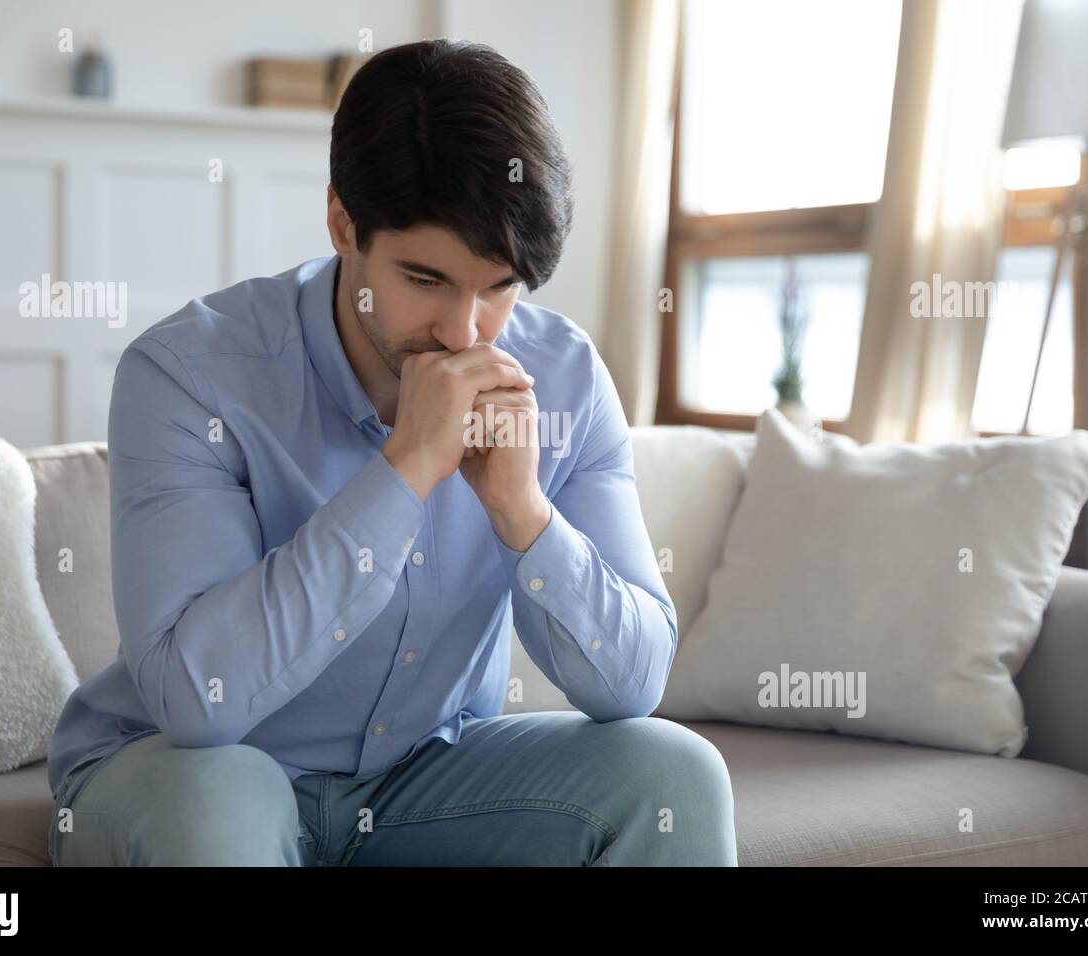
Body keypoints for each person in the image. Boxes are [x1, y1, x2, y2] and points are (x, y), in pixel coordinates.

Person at [46, 38, 737, 867]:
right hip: (184, 772)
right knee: (227, 794)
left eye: (500, 288)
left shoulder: (563, 376)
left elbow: (630, 688)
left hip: (423, 784)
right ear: (342, 223)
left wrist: (523, 514)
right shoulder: (191, 376)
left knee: (676, 774)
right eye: (426, 280)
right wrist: (404, 472)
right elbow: (201, 703)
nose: (463, 331)